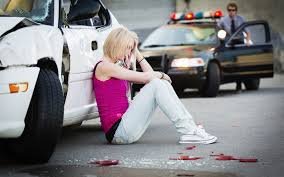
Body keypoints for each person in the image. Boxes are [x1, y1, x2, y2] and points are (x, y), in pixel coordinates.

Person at [93, 27, 217, 145]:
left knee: (158, 83)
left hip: (126, 126)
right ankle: (189, 131)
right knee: (157, 82)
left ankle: (190, 128)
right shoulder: (104, 67)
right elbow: (147, 77)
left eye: (130, 49)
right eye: (128, 48)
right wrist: (163, 75)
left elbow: (149, 76)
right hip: (118, 132)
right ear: (117, 45)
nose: (128, 53)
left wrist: (137, 53)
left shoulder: (116, 66)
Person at [218, 2, 251, 93]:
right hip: (229, 43)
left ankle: (239, 85)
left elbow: (247, 32)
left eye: (233, 10)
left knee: (239, 64)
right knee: (231, 64)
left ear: (236, 11)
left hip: (239, 42)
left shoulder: (241, 19)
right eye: (229, 10)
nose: (231, 12)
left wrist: (248, 41)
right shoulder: (223, 20)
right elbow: (218, 30)